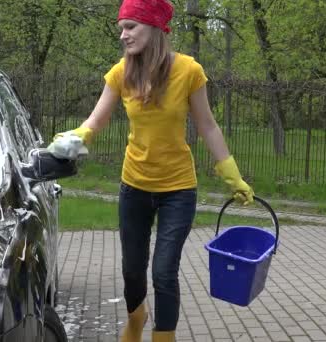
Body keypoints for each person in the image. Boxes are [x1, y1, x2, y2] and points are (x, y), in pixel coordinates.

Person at [51, 0, 254, 340]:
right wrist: (75, 137)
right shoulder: (121, 73)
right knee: (132, 270)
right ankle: (135, 319)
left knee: (163, 272)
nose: (123, 35)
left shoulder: (189, 71)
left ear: (155, 28)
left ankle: (164, 336)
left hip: (178, 190)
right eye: (121, 28)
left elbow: (208, 126)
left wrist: (232, 174)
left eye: (131, 27)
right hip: (134, 187)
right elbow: (97, 119)